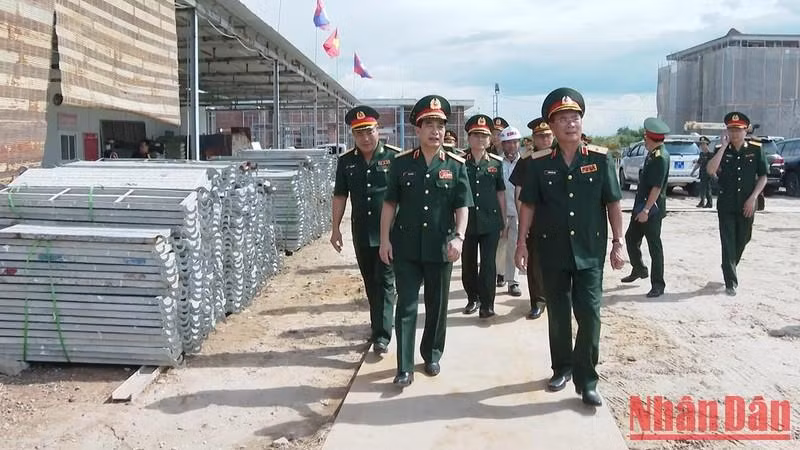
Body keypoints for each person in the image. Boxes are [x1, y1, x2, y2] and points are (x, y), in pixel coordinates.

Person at [515, 88, 625, 406]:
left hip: (590, 251)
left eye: (575, 118)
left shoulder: (601, 160)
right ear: (552, 125)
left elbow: (614, 204)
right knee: (559, 316)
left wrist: (619, 243)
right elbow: (528, 206)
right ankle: (561, 368)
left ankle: (587, 379)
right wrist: (521, 243)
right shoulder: (537, 165)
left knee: (590, 315)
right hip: (552, 251)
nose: (570, 124)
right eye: (563, 119)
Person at [379, 95, 472, 386]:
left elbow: (462, 206)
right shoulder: (401, 164)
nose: (435, 131)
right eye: (429, 124)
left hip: (440, 247)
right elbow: (389, 205)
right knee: (405, 305)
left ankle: (431, 354)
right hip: (405, 247)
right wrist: (384, 240)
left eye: (440, 125)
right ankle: (403, 366)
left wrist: (460, 237)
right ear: (416, 130)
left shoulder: (456, 165)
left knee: (437, 304)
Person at [331, 105, 399, 355]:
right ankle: (378, 325)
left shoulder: (394, 158)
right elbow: (340, 196)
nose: (365, 138)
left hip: (389, 234)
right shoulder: (346, 161)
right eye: (359, 134)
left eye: (369, 131)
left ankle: (382, 336)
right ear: (353, 135)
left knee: (385, 280)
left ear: (378, 130)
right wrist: (335, 228)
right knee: (370, 282)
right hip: (361, 232)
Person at [705, 112, 768, 297]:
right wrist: (723, 148)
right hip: (726, 205)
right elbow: (710, 170)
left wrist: (754, 197)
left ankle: (729, 264)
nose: (734, 134)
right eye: (731, 130)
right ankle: (730, 281)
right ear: (727, 131)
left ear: (745, 130)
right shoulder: (721, 149)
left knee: (743, 238)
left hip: (747, 204)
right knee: (728, 242)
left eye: (738, 130)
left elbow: (763, 176)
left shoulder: (755, 149)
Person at [460, 115, 507, 317]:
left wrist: (504, 220)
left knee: (488, 264)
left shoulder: (496, 164)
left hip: (490, 221)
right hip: (467, 222)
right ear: (469, 138)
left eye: (484, 136)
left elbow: (501, 193)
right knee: (468, 263)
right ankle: (473, 298)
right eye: (476, 135)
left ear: (490, 140)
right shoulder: (460, 162)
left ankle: (488, 304)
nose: (480, 139)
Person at [621, 117, 671, 298]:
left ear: (650, 138)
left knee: (654, 246)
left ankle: (658, 284)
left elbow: (656, 188)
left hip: (651, 210)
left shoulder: (660, 158)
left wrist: (646, 211)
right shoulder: (652, 154)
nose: (644, 141)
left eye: (645, 138)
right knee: (631, 238)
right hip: (641, 207)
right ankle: (639, 269)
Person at [509, 117, 553, 320]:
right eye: (540, 136)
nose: (545, 140)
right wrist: (521, 218)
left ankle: (556, 298)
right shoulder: (527, 162)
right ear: (534, 139)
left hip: (557, 220)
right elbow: (519, 191)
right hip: (534, 220)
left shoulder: (561, 157)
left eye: (547, 135)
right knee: (534, 263)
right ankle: (538, 301)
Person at [495, 126, 523, 298]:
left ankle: (513, 282)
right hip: (500, 212)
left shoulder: (526, 163)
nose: (512, 146)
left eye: (514, 142)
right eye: (508, 143)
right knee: (499, 247)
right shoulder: (496, 163)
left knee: (514, 246)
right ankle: (500, 274)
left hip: (519, 212)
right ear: (502, 145)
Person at [691, 136, 714, 208]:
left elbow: (713, 164)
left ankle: (709, 202)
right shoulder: (702, 154)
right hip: (702, 173)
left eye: (704, 144)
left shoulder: (710, 154)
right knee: (702, 188)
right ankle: (702, 202)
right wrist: (693, 171)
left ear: (707, 145)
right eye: (701, 144)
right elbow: (698, 163)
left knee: (707, 189)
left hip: (708, 174)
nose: (702, 146)